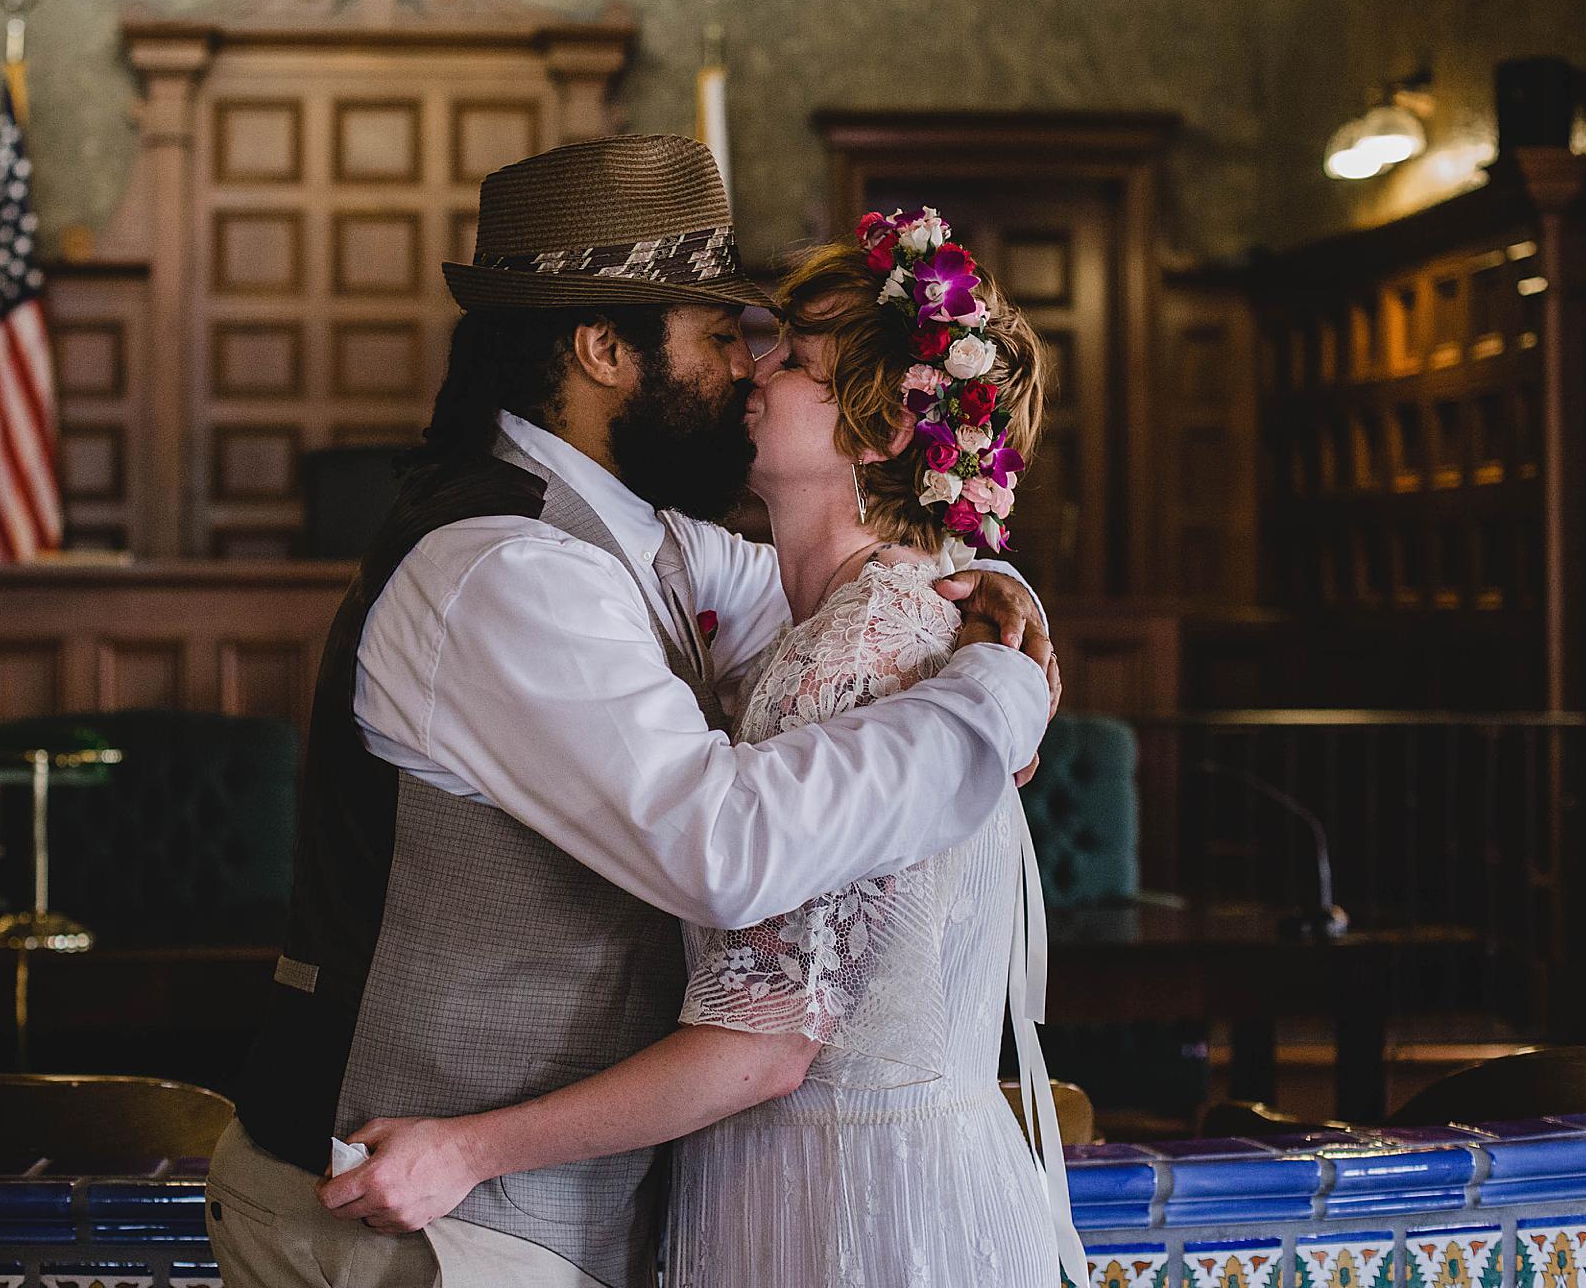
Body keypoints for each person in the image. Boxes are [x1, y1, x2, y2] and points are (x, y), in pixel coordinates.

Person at [205, 134, 1060, 1288]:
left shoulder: (626, 532)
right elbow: (721, 845)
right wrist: (993, 700)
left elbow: (844, 592)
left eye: (772, 348)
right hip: (415, 1213)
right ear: (605, 348)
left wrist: (997, 600)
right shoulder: (508, 568)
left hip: (547, 1211)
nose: (746, 368)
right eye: (720, 335)